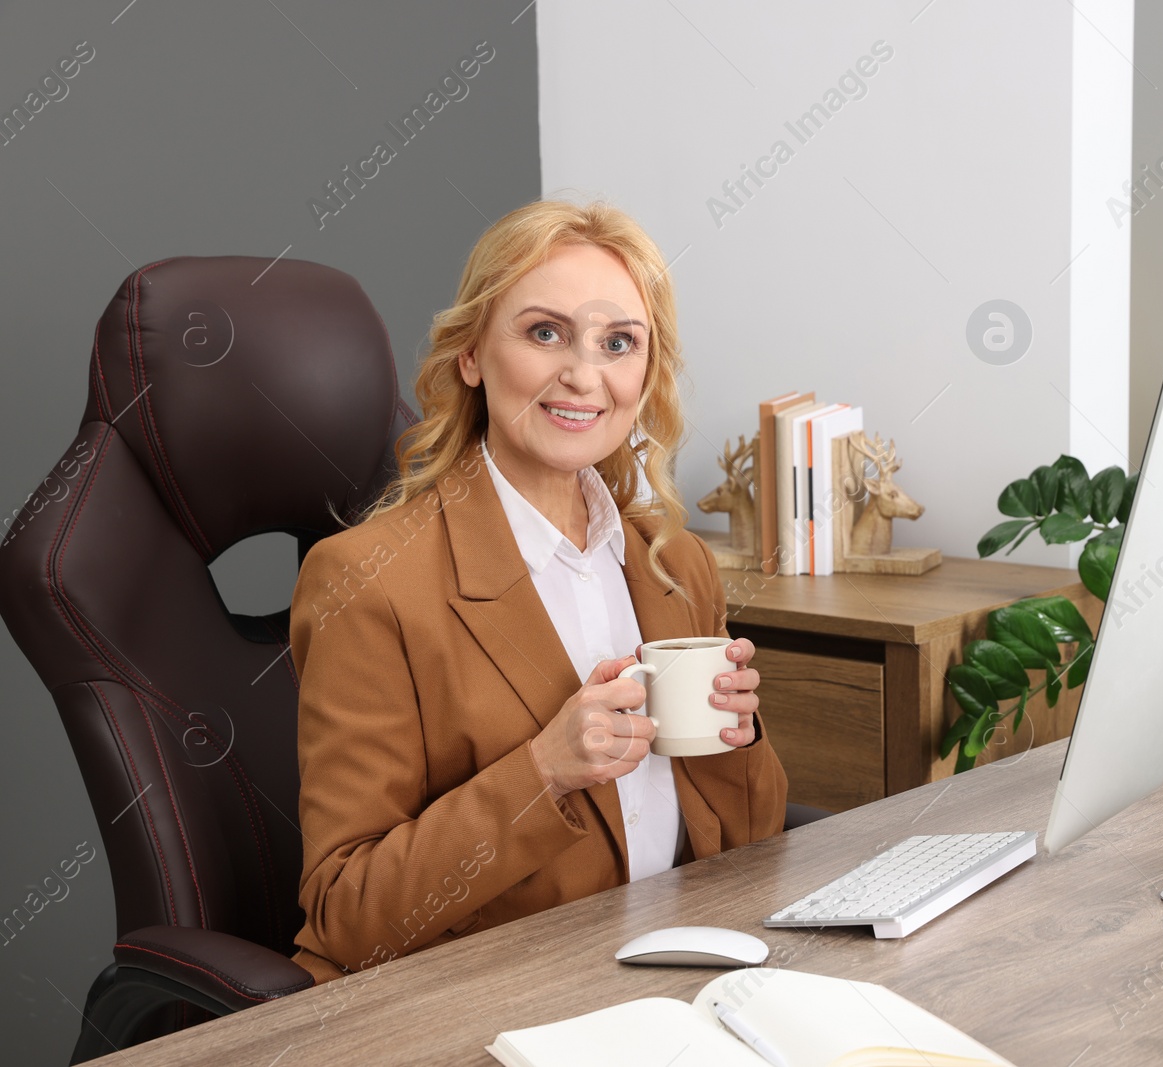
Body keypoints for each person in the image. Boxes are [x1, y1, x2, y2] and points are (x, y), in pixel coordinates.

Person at [286, 199, 788, 985]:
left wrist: (738, 735)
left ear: (645, 374)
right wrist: (545, 768)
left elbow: (751, 844)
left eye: (619, 342)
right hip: (472, 998)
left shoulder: (672, 561)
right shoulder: (368, 583)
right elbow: (349, 916)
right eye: (545, 332)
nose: (583, 375)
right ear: (473, 354)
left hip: (661, 976)